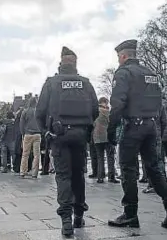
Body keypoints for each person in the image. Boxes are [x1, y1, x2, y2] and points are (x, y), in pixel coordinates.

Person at [107, 39, 167, 229]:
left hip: (133, 126)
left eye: (118, 58)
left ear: (123, 56)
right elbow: (160, 105)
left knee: (128, 169)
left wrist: (111, 130)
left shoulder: (123, 73)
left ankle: (130, 213)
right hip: (152, 126)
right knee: (155, 169)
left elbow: (117, 104)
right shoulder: (151, 74)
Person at [35, 46, 99, 237]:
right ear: (75, 63)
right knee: (78, 176)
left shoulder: (51, 83)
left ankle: (66, 222)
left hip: (60, 136)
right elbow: (95, 110)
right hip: (80, 136)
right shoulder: (85, 83)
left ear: (61, 62)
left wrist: (47, 131)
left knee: (63, 177)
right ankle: (79, 215)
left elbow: (40, 112)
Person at [92, 97, 119, 184]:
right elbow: (113, 123)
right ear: (104, 103)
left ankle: (100, 177)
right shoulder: (108, 112)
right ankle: (111, 177)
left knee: (100, 158)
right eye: (106, 103)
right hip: (108, 136)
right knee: (110, 157)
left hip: (97, 137)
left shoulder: (94, 112)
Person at [19, 97, 42, 178]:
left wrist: (23, 133)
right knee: (36, 155)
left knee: (25, 154)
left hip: (28, 134)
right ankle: (34, 173)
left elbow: (21, 124)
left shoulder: (25, 111)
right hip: (37, 134)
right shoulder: (38, 111)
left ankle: (23, 172)